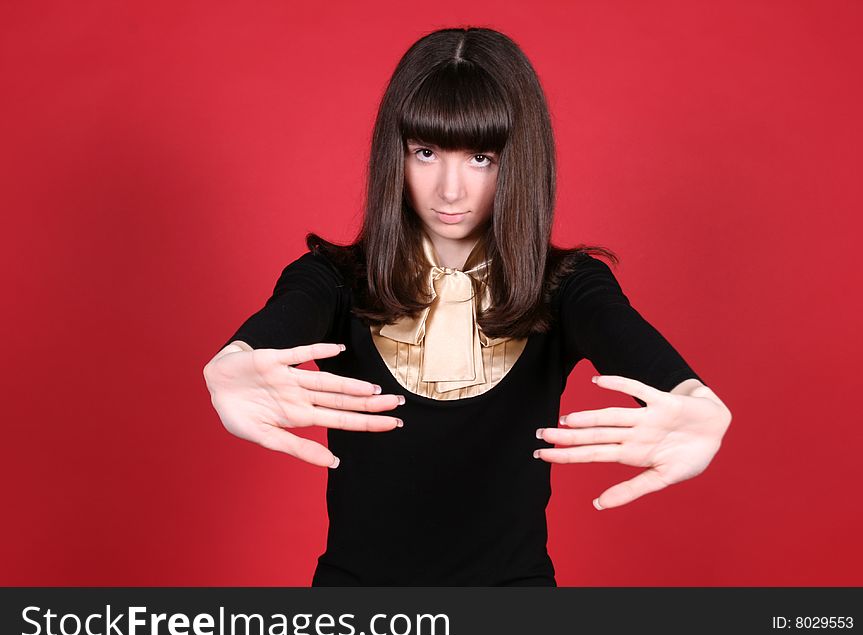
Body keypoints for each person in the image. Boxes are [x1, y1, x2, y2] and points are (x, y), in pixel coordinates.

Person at [202, 27, 732, 586]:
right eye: (425, 153)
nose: (450, 190)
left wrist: (694, 399)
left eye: (481, 157)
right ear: (395, 154)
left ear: (519, 161)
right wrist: (234, 358)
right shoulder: (334, 280)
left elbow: (625, 337)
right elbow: (282, 319)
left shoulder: (569, 288)